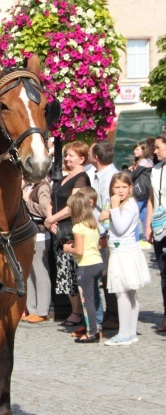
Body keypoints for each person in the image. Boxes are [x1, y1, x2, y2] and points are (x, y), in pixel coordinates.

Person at [100, 172, 151, 345]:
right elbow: (111, 226)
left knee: (123, 292)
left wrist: (114, 208)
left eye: (124, 187)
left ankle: (124, 332)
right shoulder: (120, 205)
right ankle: (129, 332)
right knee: (128, 293)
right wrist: (103, 217)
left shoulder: (129, 205)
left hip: (125, 253)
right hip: (120, 251)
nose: (120, 191)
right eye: (117, 187)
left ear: (130, 188)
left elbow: (121, 228)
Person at [45, 141, 90, 326]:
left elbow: (74, 206)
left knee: (72, 271)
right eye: (66, 155)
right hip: (57, 227)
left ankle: (78, 312)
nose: (67, 158)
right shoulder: (64, 177)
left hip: (70, 229)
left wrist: (52, 218)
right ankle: (74, 310)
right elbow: (50, 199)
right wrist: (50, 219)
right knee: (64, 271)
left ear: (81, 158)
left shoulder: (81, 178)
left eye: (71, 155)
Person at [87, 140, 119, 331]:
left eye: (91, 152)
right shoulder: (97, 174)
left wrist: (105, 234)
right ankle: (107, 314)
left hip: (106, 233)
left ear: (96, 157)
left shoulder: (111, 177)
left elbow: (110, 208)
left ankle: (113, 315)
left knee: (109, 276)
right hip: (97, 232)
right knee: (103, 274)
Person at [63, 191, 103, 343]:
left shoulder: (78, 228)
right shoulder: (92, 225)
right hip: (97, 262)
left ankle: (91, 332)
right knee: (95, 299)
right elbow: (95, 245)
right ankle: (96, 327)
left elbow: (79, 251)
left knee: (87, 302)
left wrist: (68, 249)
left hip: (85, 266)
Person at [22, 175, 52, 323]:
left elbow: (45, 210)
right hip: (27, 235)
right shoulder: (28, 186)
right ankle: (31, 308)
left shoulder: (42, 187)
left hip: (39, 234)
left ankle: (42, 310)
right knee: (29, 274)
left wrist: (27, 201)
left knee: (40, 273)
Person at [146, 132, 166, 332]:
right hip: (160, 226)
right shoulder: (156, 170)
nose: (155, 150)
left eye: (159, 147)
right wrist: (148, 225)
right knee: (164, 272)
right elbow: (152, 198)